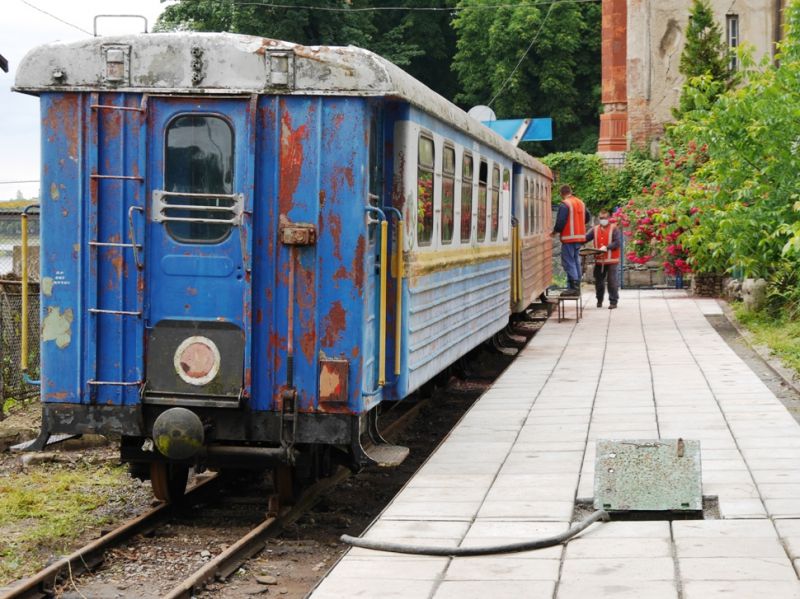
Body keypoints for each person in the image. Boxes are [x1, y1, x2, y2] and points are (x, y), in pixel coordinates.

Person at [552, 184, 590, 296]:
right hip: (579, 237)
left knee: (568, 262)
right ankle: (577, 286)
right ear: (570, 191)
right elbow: (588, 217)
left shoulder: (565, 204)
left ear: (561, 194)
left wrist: (555, 231)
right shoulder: (581, 203)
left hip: (569, 238)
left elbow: (560, 221)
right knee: (576, 261)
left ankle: (574, 288)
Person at [585, 209, 621, 309]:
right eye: (601, 218)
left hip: (612, 260)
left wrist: (607, 247)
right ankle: (599, 300)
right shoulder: (595, 229)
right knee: (599, 282)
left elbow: (617, 242)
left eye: (604, 218)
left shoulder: (614, 229)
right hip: (599, 260)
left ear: (609, 218)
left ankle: (613, 302)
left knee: (612, 281)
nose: (602, 220)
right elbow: (586, 238)